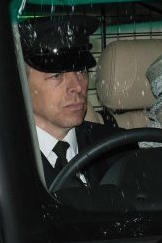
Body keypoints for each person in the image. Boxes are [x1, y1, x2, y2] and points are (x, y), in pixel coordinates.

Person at [20, 15, 128, 190]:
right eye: (57, 76)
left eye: (81, 71)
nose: (77, 87)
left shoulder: (117, 148)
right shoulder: (4, 163)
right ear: (22, 84)